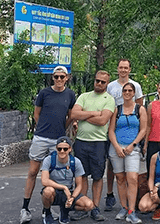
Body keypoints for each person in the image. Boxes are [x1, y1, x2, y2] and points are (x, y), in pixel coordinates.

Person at [21, 66, 77, 224]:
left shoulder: (70, 94)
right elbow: (36, 114)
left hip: (57, 141)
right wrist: (43, 128)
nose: (59, 80)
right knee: (33, 172)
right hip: (41, 138)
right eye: (56, 77)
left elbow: (70, 115)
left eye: (62, 77)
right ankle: (24, 208)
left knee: (55, 175)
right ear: (53, 78)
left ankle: (47, 209)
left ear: (67, 78)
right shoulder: (44, 93)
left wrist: (63, 129)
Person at [70, 70, 116, 221]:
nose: (99, 84)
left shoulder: (109, 99)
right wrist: (95, 113)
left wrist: (85, 114)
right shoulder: (84, 96)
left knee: (97, 176)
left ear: (107, 83)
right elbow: (74, 115)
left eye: (103, 82)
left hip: (98, 143)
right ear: (94, 80)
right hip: (81, 142)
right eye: (97, 81)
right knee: (81, 176)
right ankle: (84, 206)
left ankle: (95, 207)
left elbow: (103, 121)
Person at [105, 59, 144, 211]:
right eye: (120, 67)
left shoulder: (136, 86)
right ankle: (110, 195)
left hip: (131, 132)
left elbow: (140, 107)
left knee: (131, 176)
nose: (123, 70)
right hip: (114, 128)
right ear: (118, 69)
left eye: (125, 67)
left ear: (129, 69)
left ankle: (131, 206)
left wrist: (136, 143)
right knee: (114, 170)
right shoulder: (111, 86)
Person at [108, 82, 147, 223]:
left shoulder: (140, 109)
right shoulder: (117, 110)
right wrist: (117, 147)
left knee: (132, 178)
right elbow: (111, 130)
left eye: (130, 90)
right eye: (125, 90)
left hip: (133, 148)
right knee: (120, 178)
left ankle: (132, 211)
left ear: (134, 93)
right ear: (122, 92)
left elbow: (143, 129)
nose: (128, 93)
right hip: (117, 147)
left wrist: (133, 144)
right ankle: (123, 207)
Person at [39, 136, 94, 224]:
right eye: (59, 148)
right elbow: (44, 181)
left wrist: (72, 198)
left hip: (69, 192)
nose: (62, 151)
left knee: (89, 205)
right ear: (56, 149)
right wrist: (64, 187)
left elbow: (79, 185)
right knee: (48, 191)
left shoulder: (76, 162)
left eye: (65, 149)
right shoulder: (49, 160)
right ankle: (47, 212)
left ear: (70, 149)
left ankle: (65, 210)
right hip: (55, 191)